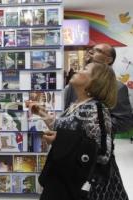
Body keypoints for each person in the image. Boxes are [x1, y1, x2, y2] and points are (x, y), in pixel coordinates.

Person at [26, 62, 128, 200]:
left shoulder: (96, 109)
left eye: (85, 69)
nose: (78, 70)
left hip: (85, 186)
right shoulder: (76, 105)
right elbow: (61, 127)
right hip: (68, 178)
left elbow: (103, 153)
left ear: (95, 81)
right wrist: (40, 112)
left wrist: (60, 140)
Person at [65, 43, 133, 133]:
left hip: (97, 145)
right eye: (91, 49)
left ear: (109, 60)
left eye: (98, 51)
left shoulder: (117, 88)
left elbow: (124, 122)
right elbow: (66, 112)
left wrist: (87, 125)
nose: (91, 52)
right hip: (69, 141)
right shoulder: (76, 83)